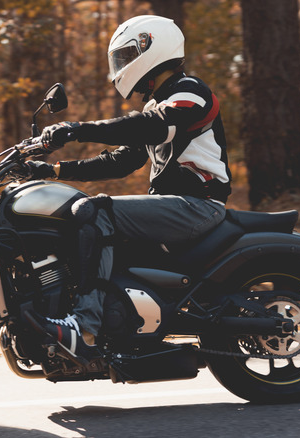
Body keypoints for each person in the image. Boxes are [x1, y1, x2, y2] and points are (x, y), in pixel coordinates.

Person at [25, 15, 232, 361]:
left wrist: (76, 129)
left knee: (95, 211)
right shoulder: (156, 106)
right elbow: (120, 161)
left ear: (151, 48)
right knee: (78, 216)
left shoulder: (192, 92)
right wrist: (53, 169)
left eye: (124, 57)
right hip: (174, 205)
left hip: (199, 205)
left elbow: (149, 126)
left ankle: (85, 328)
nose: (120, 68)